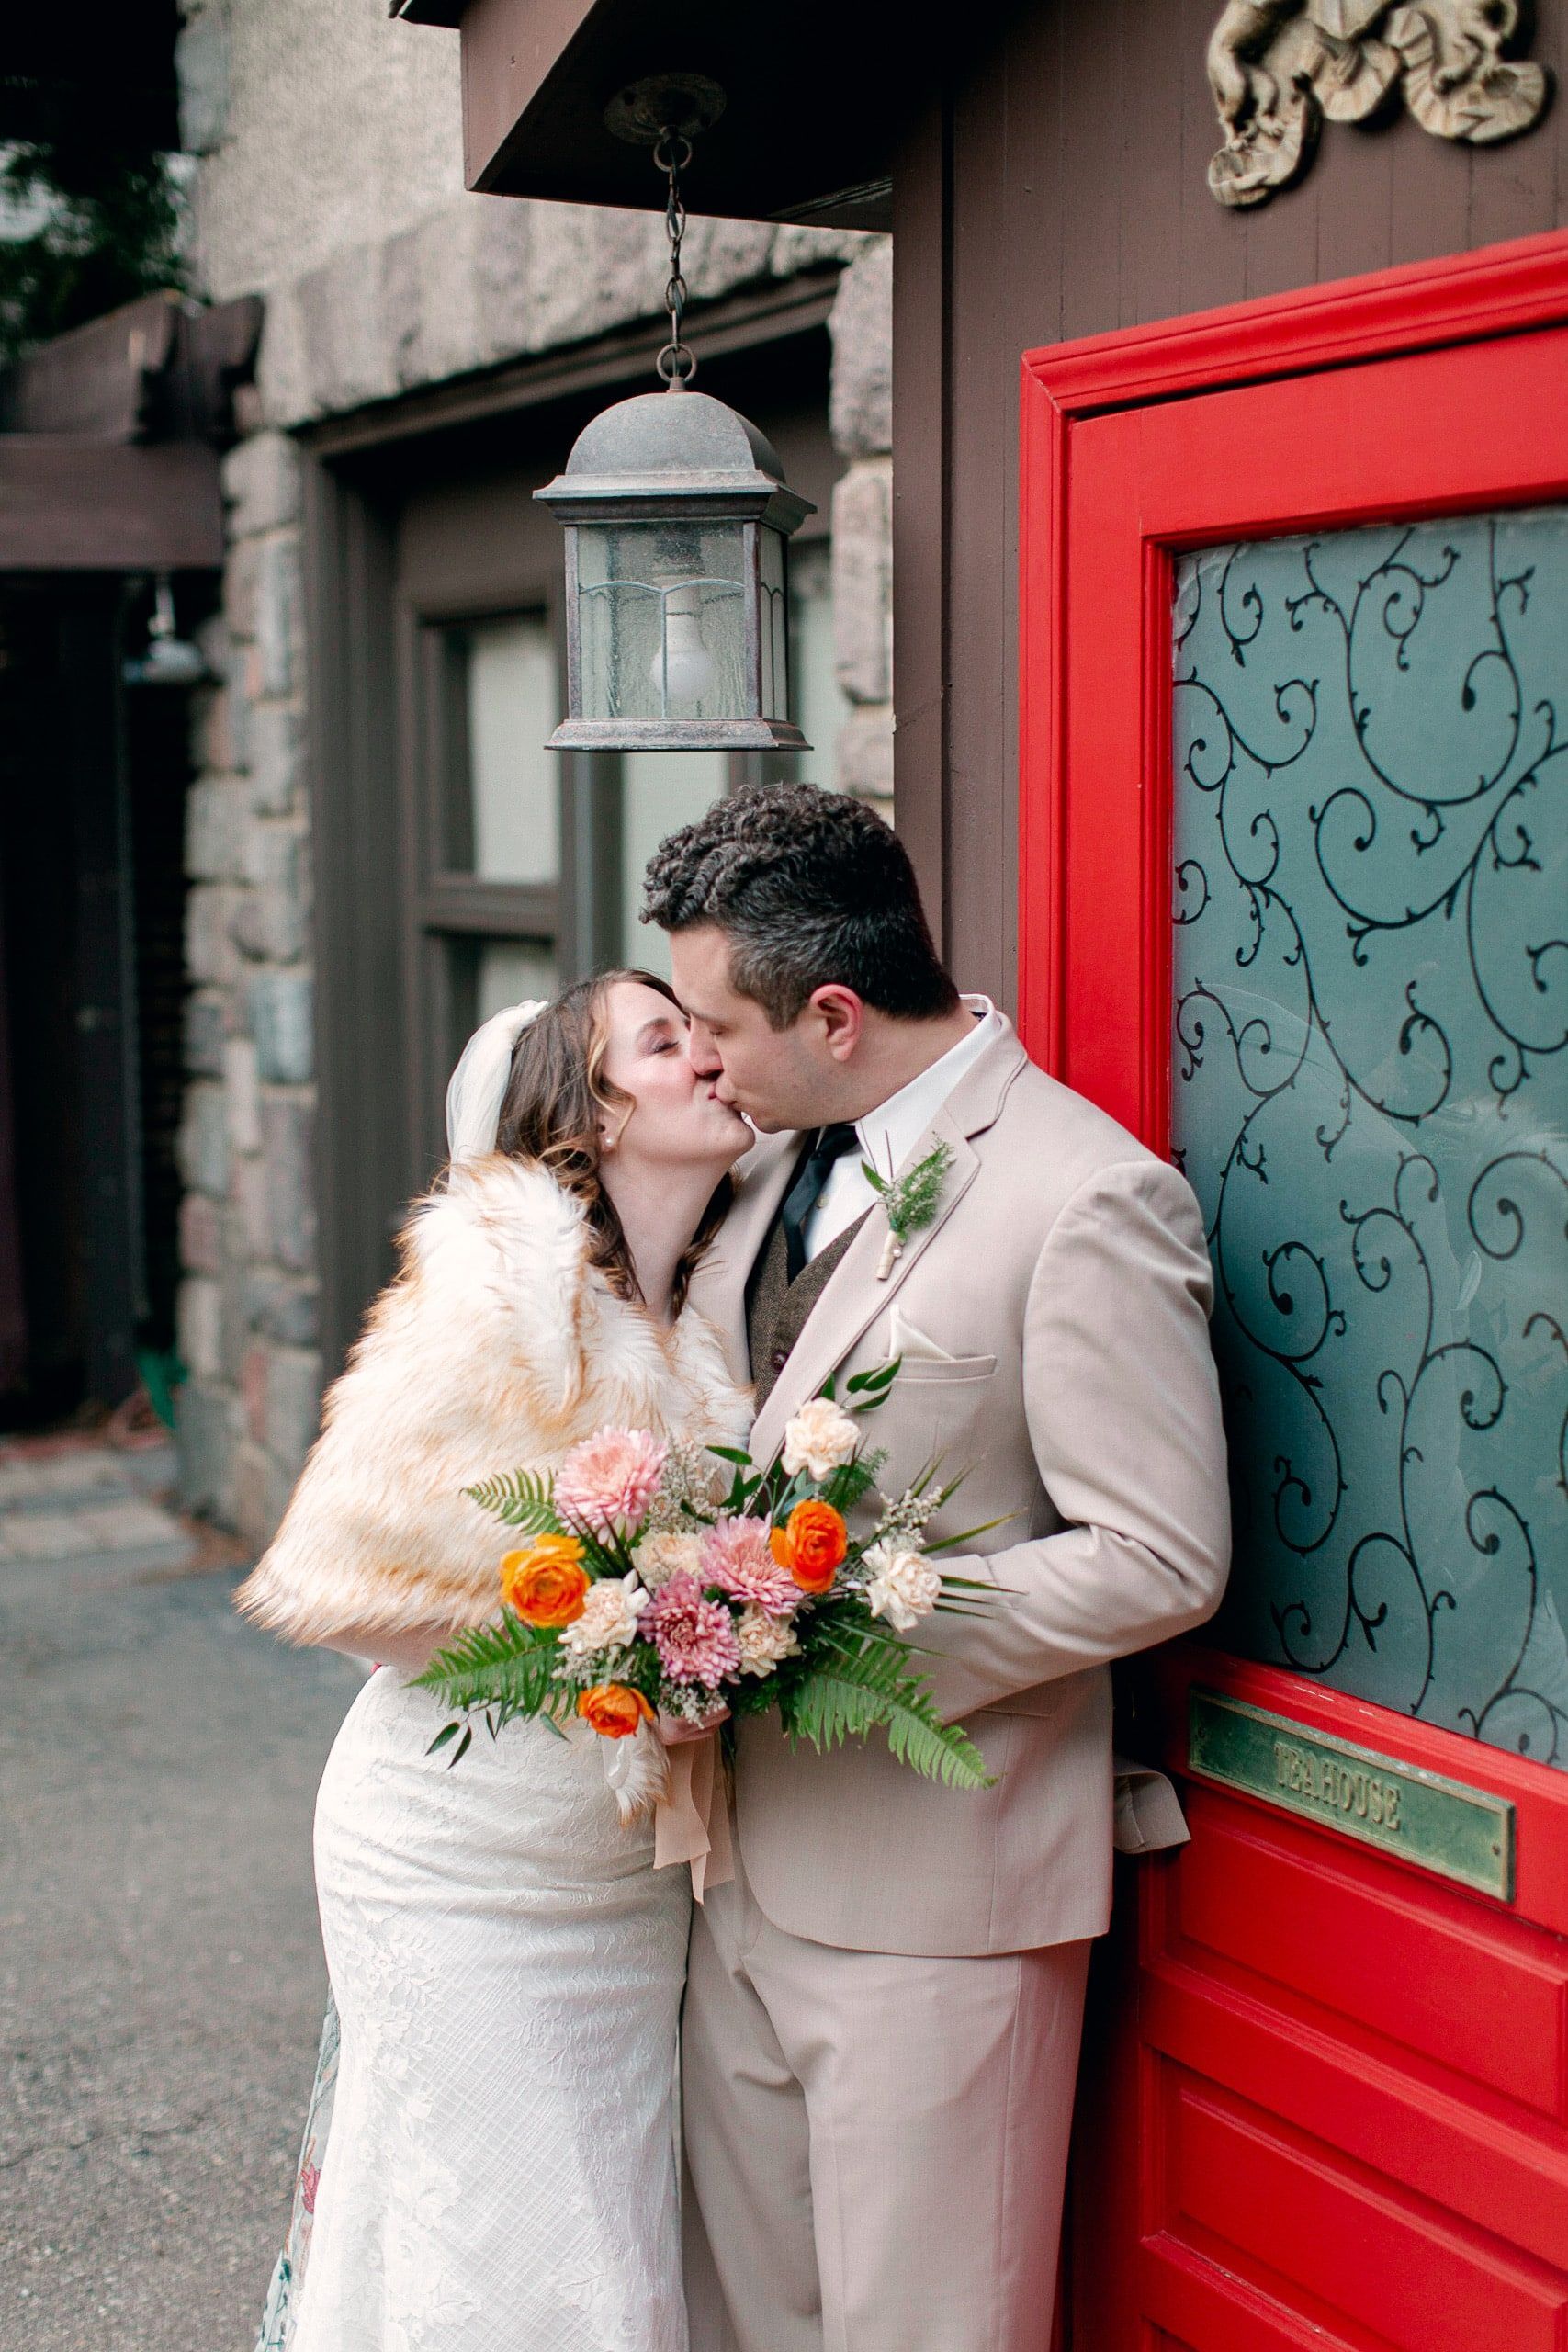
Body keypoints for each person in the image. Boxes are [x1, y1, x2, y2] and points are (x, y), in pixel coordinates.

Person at [640, 783, 1232, 2352]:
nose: (699, 1059)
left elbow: (1159, 1555)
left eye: (717, 1027)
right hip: (735, 1877)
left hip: (943, 1906)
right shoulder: (765, 1162)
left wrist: (832, 1628)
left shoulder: (1086, 1192)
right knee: (753, 2325)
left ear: (833, 1014)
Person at [237, 972, 752, 2352]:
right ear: (593, 1113)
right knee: (517, 2260)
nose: (708, 1053)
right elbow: (345, 1593)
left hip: (619, 1890)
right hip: (459, 1866)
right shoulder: (497, 1286)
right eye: (665, 1040)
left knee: (613, 2255)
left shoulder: (699, 1315)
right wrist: (610, 1639)